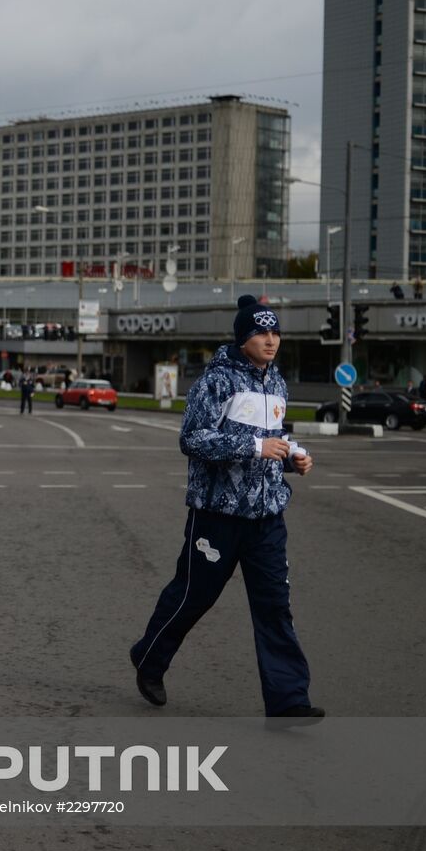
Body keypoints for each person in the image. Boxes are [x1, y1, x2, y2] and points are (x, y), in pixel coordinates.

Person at [128, 295, 323, 720]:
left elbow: (275, 436)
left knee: (274, 605)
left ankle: (289, 699)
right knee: (194, 596)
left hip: (267, 514)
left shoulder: (277, 382)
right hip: (217, 514)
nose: (271, 340)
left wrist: (293, 456)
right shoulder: (216, 382)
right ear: (243, 338)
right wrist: (256, 447)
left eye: (275, 332)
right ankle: (149, 658)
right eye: (261, 332)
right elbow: (192, 438)